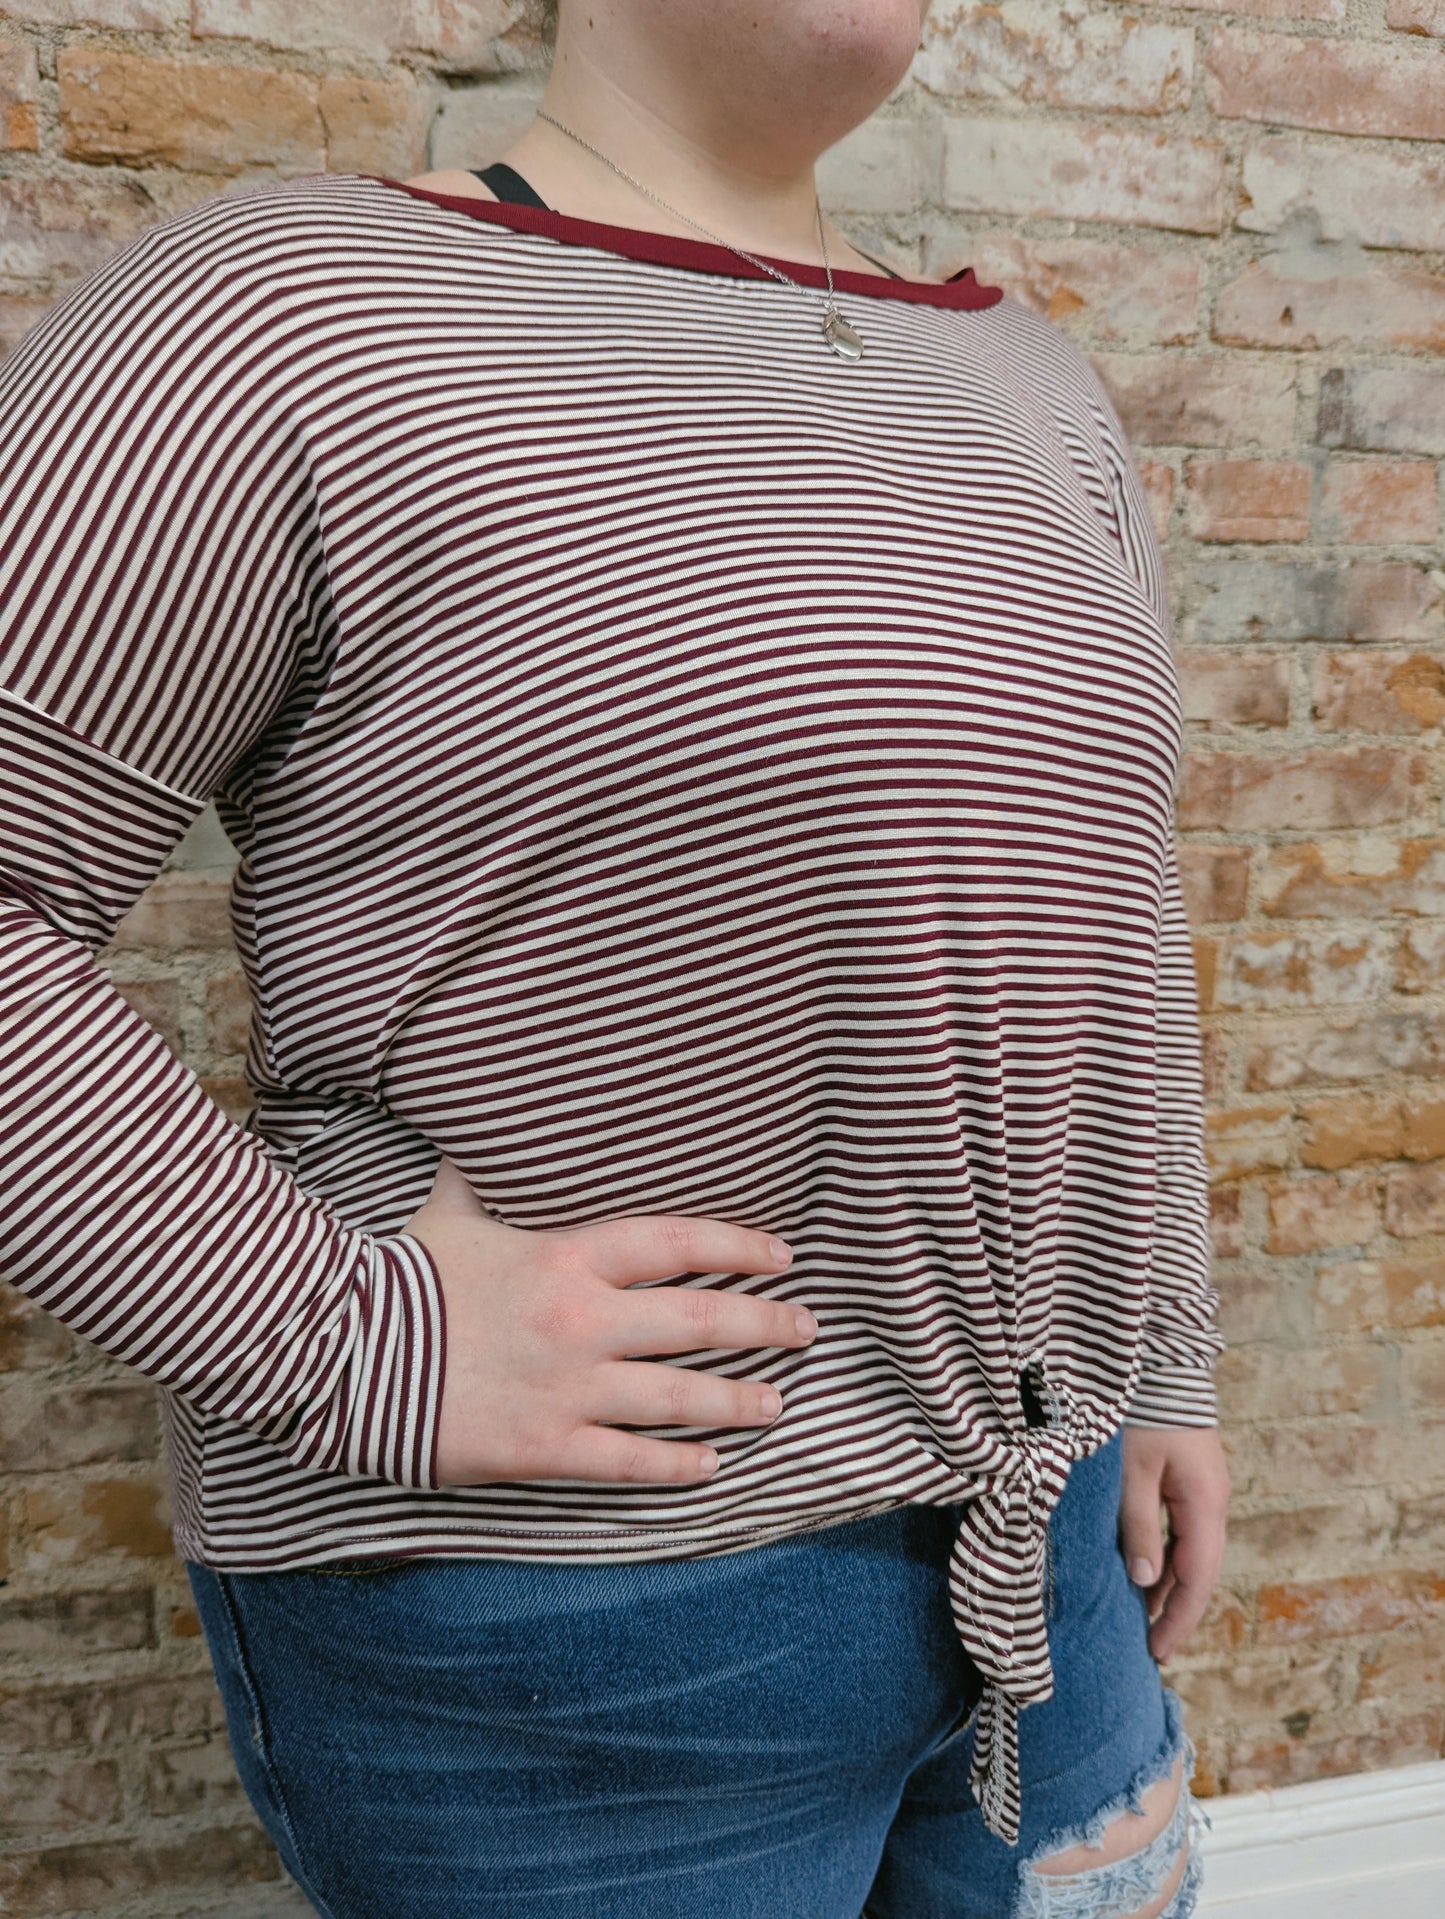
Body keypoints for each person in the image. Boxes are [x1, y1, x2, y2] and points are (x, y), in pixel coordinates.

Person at [0, 0, 1230, 1913]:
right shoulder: (278, 311)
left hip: (1052, 1541)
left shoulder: (1030, 379)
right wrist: (349, 1330)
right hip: (571, 1623)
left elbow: (1101, 923)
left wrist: (1161, 1357)